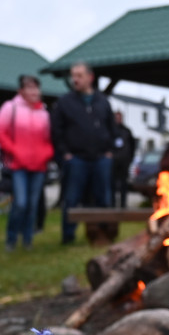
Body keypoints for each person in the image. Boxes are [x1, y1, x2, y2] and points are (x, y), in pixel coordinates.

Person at [50, 62, 115, 244]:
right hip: (76, 159)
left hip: (101, 158)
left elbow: (112, 128)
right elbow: (57, 131)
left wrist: (110, 151)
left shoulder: (102, 102)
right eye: (73, 76)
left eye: (79, 75)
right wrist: (65, 154)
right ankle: (68, 236)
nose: (75, 80)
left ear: (90, 77)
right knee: (72, 198)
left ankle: (103, 234)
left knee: (103, 197)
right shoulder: (65, 102)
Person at [0, 74, 53, 250]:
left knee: (33, 204)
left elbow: (49, 139)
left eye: (36, 87)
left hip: (39, 165)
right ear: (21, 90)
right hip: (18, 164)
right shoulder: (10, 108)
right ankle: (11, 239)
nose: (34, 91)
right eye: (29, 87)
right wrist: (14, 151)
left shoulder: (44, 113)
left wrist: (46, 154)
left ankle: (28, 240)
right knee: (20, 202)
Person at [111, 110, 136, 208]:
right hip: (113, 162)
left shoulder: (126, 131)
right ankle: (112, 204)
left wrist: (129, 158)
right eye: (116, 117)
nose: (118, 119)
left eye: (119, 117)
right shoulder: (110, 130)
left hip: (124, 162)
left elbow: (132, 145)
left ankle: (123, 204)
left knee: (123, 184)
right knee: (112, 183)